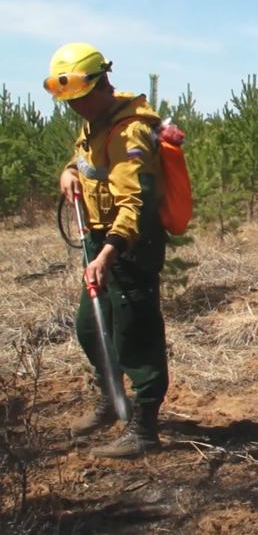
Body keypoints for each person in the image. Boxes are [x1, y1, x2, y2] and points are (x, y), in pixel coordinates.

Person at [46, 42, 168, 458]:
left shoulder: (129, 130)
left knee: (136, 332)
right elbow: (82, 161)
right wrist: (67, 173)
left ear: (101, 85)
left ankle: (145, 428)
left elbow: (134, 203)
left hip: (132, 241)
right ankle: (112, 398)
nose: (73, 108)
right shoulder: (95, 121)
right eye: (69, 101)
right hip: (100, 238)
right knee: (90, 326)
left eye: (79, 99)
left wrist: (107, 253)